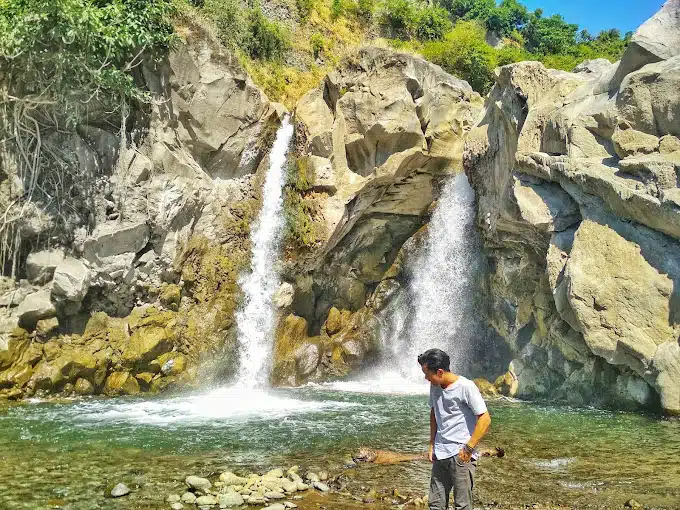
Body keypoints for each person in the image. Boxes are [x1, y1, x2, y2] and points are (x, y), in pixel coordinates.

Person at [418, 348, 491, 510]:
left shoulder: (466, 387)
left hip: (461, 455)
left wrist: (469, 448)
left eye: (427, 374)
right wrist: (432, 444)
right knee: (435, 504)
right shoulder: (435, 385)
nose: (425, 378)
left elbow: (485, 419)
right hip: (440, 452)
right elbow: (434, 412)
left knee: (463, 506)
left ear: (440, 371)